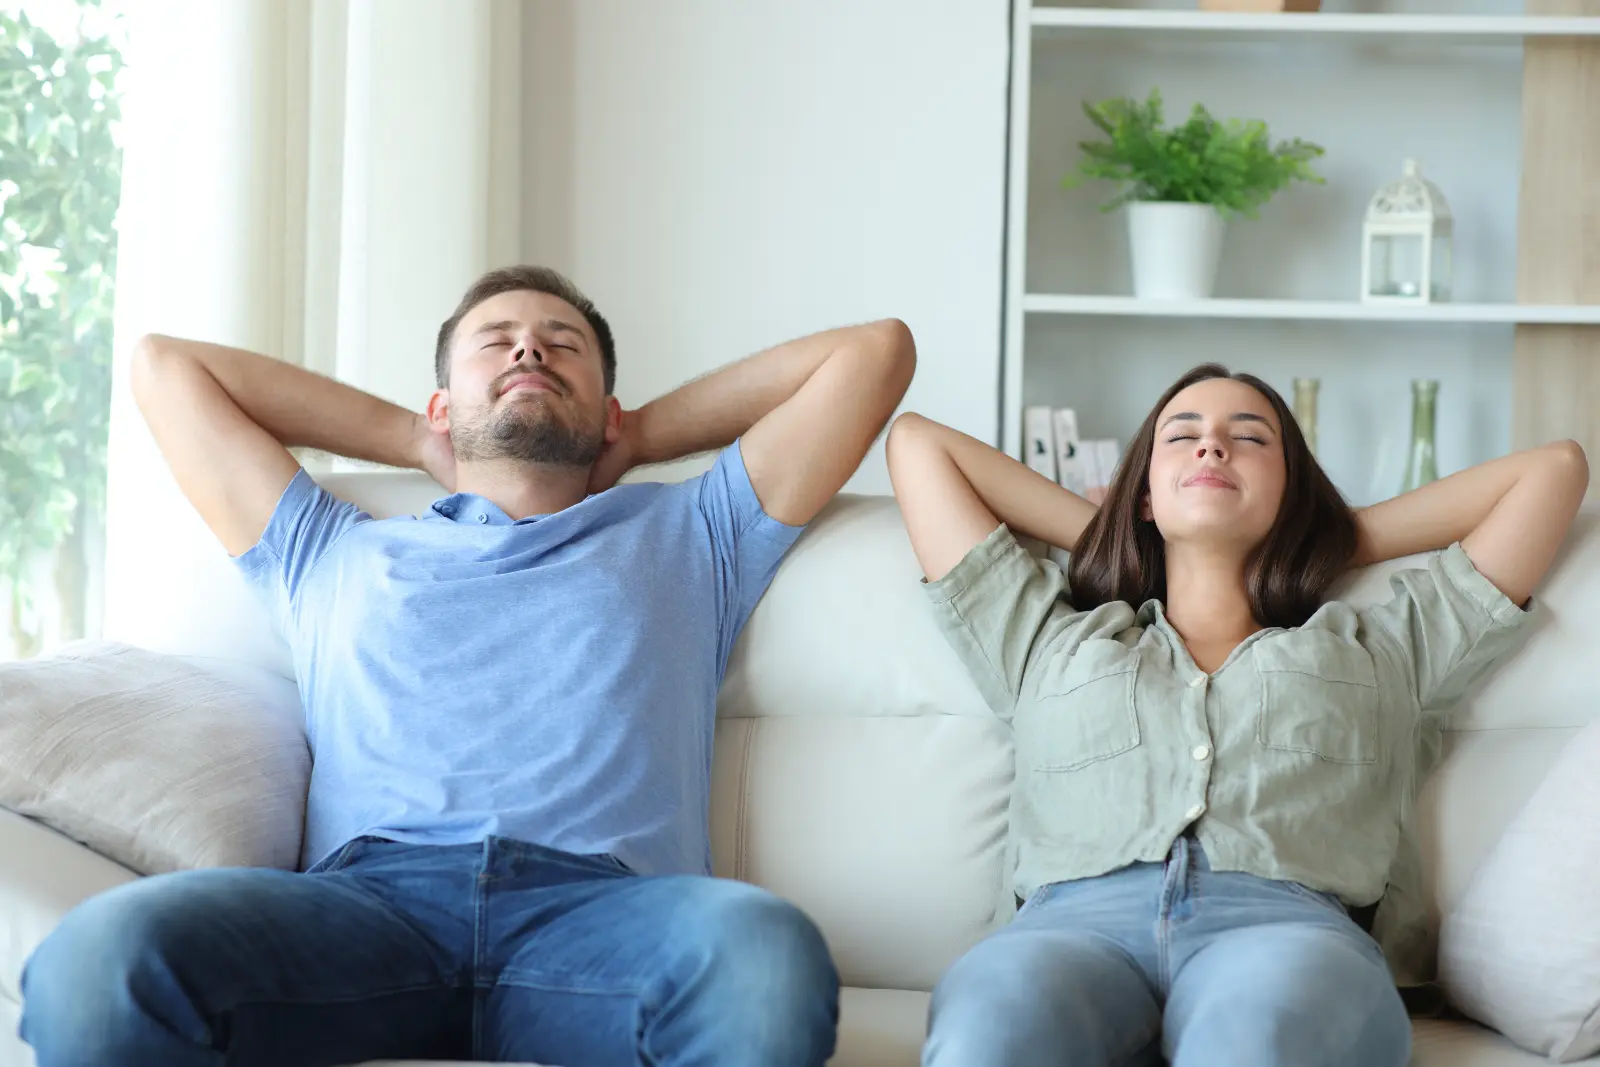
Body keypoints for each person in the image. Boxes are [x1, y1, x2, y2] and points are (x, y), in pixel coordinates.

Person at [20, 266, 916, 1067]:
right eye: (498, 342)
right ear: (445, 404)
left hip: (604, 916)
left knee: (762, 958)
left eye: (562, 345)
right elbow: (166, 370)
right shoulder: (331, 548)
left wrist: (639, 434)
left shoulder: (691, 532)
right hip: (366, 907)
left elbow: (875, 354)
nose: (531, 344)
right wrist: (412, 437)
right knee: (98, 962)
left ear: (607, 410)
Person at [886, 363, 1587, 1067]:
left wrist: (1326, 536)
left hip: (1287, 933)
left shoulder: (1385, 651)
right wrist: (1117, 533)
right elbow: (918, 446)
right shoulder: (1046, 639)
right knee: (991, 1031)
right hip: (1066, 932)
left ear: (1293, 494)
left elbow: (1552, 472)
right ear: (1143, 493)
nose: (1212, 447)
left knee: (1255, 1042)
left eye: (1249, 438)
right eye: (1182, 436)